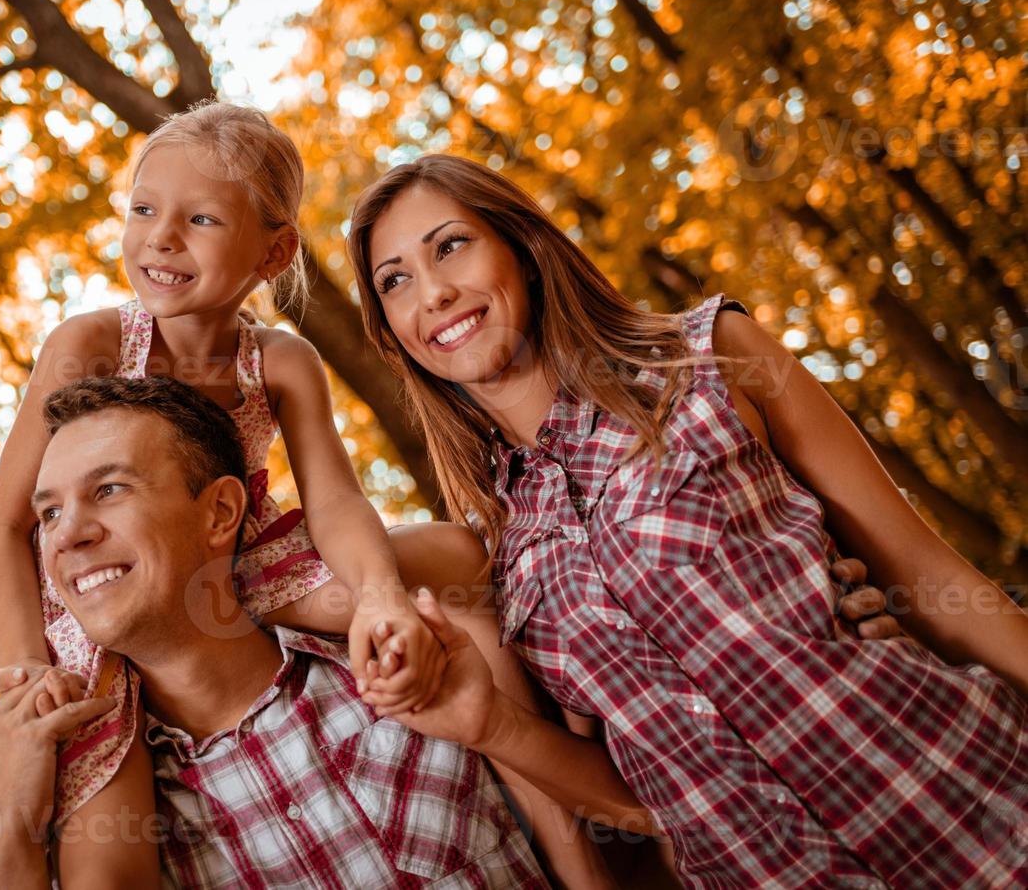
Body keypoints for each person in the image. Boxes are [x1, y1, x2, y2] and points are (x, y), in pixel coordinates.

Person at [346, 153, 1028, 888]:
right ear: (390, 330)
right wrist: (489, 724)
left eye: (451, 245)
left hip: (979, 808)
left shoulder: (706, 356)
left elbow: (927, 575)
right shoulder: (500, 552)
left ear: (525, 249)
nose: (435, 292)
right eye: (395, 280)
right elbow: (650, 805)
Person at [0, 103, 615, 884]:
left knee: (448, 574)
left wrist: (378, 595)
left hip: (256, 567)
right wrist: (23, 666)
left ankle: (580, 847)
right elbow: (10, 528)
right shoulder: (90, 345)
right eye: (144, 209)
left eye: (201, 219)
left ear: (274, 252)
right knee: (102, 814)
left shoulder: (279, 359)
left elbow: (337, 500)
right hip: (113, 606)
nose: (160, 238)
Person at [0, 376, 654, 888]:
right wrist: (9, 834)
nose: (67, 536)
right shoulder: (116, 824)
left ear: (219, 512)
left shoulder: (416, 651)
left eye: (110, 491)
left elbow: (663, 816)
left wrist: (497, 725)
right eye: (48, 514)